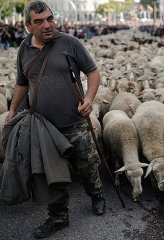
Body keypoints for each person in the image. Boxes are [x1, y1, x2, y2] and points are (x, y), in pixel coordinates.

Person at [5, 1, 106, 238]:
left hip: (74, 121)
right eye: (39, 21)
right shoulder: (24, 49)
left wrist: (89, 98)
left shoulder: (70, 43)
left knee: (87, 164)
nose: (47, 25)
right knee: (53, 173)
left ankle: (97, 195)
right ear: (28, 25)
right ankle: (58, 217)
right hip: (42, 126)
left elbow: (92, 71)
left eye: (50, 19)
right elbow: (22, 83)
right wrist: (12, 110)